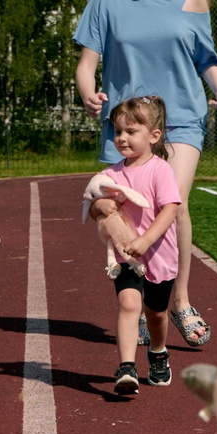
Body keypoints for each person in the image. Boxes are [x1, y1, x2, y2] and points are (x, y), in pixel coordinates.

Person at [73, 0, 217, 351]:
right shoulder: (107, 0)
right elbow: (87, 65)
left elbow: (207, 58)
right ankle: (141, 302)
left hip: (180, 118)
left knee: (171, 202)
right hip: (126, 125)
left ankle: (177, 299)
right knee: (121, 213)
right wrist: (89, 94)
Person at [86, 96, 183, 397]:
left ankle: (157, 352)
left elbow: (170, 209)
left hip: (160, 256)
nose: (121, 138)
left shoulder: (160, 170)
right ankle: (127, 366)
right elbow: (91, 208)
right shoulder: (111, 174)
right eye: (117, 132)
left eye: (130, 131)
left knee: (156, 314)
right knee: (129, 304)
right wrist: (100, 204)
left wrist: (146, 240)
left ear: (154, 136)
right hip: (125, 256)